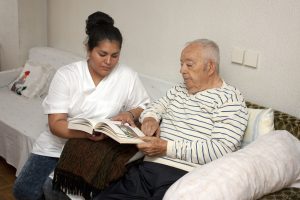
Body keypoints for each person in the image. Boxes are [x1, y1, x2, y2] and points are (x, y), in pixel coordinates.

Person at [13, 11, 150, 200]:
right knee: (24, 191)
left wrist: (130, 113)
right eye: (102, 54)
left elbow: (142, 105)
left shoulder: (127, 76)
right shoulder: (67, 75)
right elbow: (56, 124)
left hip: (94, 149)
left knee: (53, 191)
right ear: (88, 49)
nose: (109, 62)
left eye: (115, 55)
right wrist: (85, 133)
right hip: (56, 145)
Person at [93, 39, 249, 199]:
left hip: (186, 179)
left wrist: (167, 148)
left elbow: (220, 150)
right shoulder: (179, 90)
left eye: (189, 65)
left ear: (210, 67)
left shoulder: (230, 99)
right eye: (181, 64)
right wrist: (150, 119)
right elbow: (155, 107)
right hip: (147, 171)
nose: (182, 70)